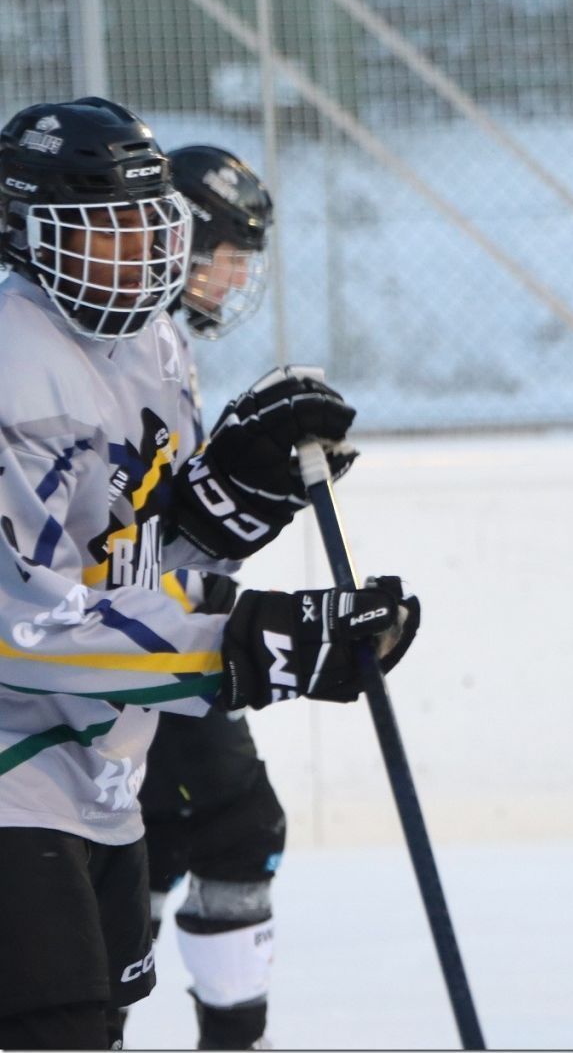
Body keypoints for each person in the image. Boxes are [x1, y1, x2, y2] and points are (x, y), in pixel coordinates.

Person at [0, 99, 419, 1051]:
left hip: (96, 782)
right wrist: (241, 643)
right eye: (106, 227)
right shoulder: (11, 361)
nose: (140, 250)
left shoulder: (154, 349)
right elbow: (20, 625)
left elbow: (132, 567)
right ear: (27, 229)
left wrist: (229, 499)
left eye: (150, 222)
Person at [136, 145, 286, 1051]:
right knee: (205, 825)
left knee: (207, 828)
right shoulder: (104, 341)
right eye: (225, 252)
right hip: (102, 641)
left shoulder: (162, 340)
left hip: (152, 628)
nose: (234, 277)